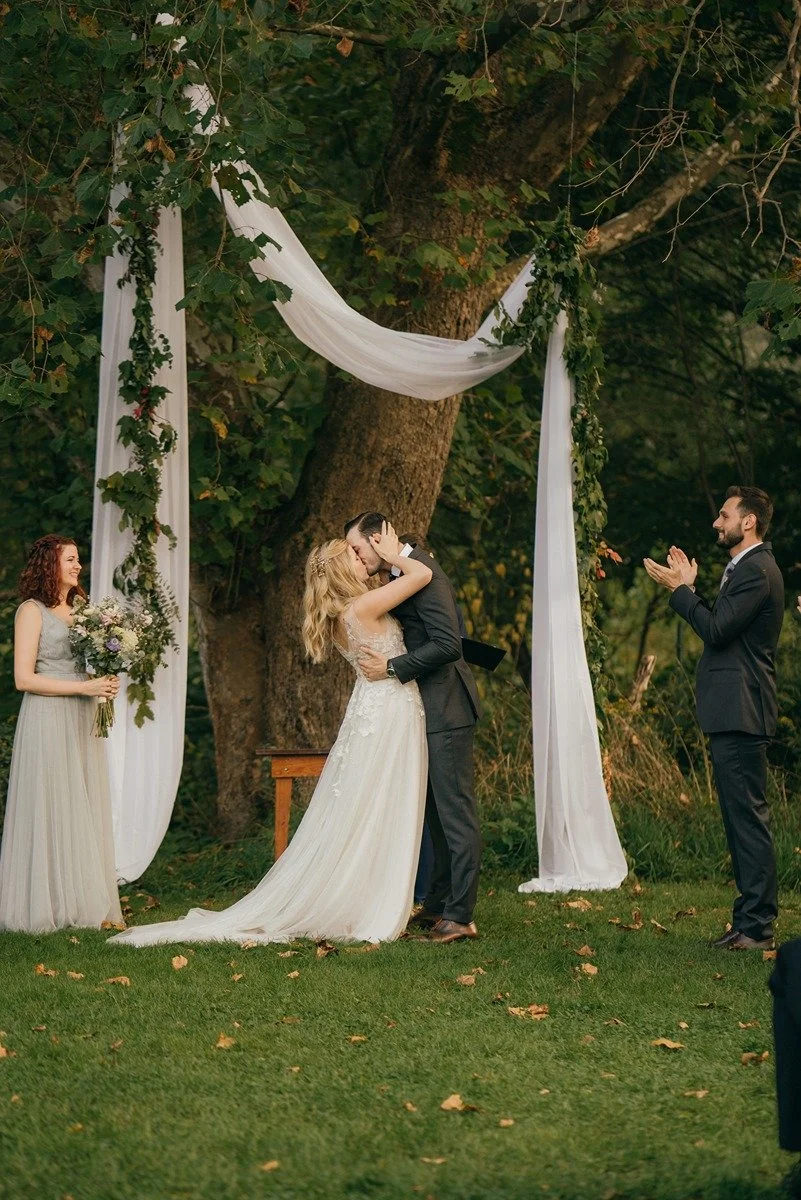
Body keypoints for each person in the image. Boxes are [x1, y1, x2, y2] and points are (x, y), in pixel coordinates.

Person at [109, 523, 431, 948]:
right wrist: (393, 556)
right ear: (340, 570)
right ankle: (373, 898)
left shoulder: (341, 616)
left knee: (370, 801)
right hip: (388, 710)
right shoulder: (363, 608)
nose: (363, 556)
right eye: (354, 555)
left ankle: (370, 891)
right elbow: (422, 575)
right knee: (383, 799)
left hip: (375, 709)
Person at [644, 485, 784, 950]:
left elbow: (718, 630)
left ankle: (758, 926)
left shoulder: (757, 570)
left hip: (744, 709)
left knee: (747, 820)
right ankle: (747, 922)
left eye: (724, 515)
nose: (716, 523)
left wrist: (683, 591)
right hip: (734, 711)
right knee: (739, 818)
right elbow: (723, 625)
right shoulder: (743, 569)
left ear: (749, 522)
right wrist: (692, 589)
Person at [345, 512, 482, 944]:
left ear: (379, 539)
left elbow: (447, 644)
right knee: (437, 816)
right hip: (427, 709)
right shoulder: (404, 571)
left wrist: (391, 667)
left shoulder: (424, 570)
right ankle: (440, 905)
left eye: (357, 547)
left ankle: (460, 916)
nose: (356, 556)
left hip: (448, 707)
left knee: (455, 813)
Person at [0, 535, 123, 933]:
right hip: (48, 714)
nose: (78, 566)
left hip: (81, 716)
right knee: (50, 802)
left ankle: (80, 900)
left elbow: (85, 664)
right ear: (50, 564)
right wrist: (83, 688)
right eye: (70, 559)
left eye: (78, 559)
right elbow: (23, 678)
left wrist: (102, 681)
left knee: (80, 803)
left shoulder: (83, 609)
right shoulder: (30, 612)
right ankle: (44, 904)